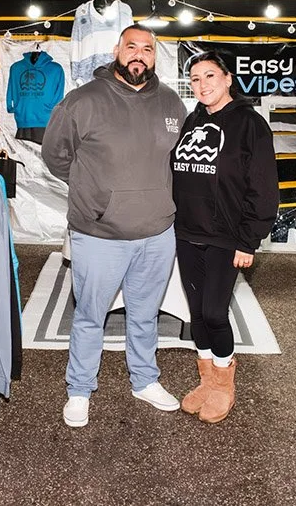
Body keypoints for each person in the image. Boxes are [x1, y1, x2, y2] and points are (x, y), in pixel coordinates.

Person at [41, 23, 188, 428]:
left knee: (145, 316)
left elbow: (178, 160)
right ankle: (79, 390)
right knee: (90, 316)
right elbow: (55, 157)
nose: (139, 54)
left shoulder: (172, 104)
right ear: (116, 50)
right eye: (131, 46)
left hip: (158, 234)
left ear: (155, 55)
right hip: (99, 236)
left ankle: (144, 381)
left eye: (147, 48)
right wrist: (97, 194)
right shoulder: (83, 100)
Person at [169, 51, 278, 424]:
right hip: (187, 232)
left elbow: (263, 187)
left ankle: (224, 384)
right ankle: (207, 380)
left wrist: (249, 240)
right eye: (195, 79)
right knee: (196, 313)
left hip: (226, 237)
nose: (203, 85)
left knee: (215, 312)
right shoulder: (193, 119)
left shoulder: (250, 124)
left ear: (228, 78)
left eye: (210, 76)